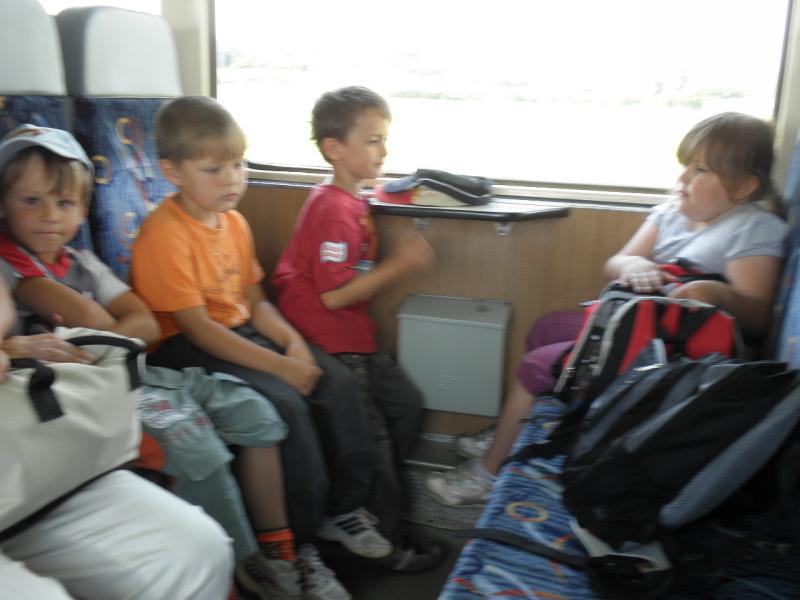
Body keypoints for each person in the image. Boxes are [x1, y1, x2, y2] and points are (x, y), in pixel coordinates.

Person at [0, 123, 308, 600]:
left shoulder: (83, 263)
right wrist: (108, 333)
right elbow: (96, 317)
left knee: (257, 413)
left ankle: (279, 548)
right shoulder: (14, 266)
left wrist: (100, 338)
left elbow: (143, 323)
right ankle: (243, 570)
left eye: (64, 203)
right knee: (195, 443)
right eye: (32, 201)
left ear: (83, 209)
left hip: (128, 374)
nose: (49, 217)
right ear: (3, 205)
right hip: (75, 398)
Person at [425, 111, 788, 506]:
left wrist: (714, 293)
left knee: (535, 368)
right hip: (635, 325)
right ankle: (515, 426)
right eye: (685, 165)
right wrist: (633, 265)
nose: (683, 178)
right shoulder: (671, 214)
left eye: (700, 170)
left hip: (671, 355)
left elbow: (756, 316)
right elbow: (616, 263)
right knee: (546, 327)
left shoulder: (751, 229)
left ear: (744, 186)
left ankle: (488, 474)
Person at [131, 95, 400, 597]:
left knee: (336, 381)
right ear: (172, 172)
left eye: (239, 164)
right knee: (286, 404)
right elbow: (199, 329)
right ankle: (295, 544)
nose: (232, 179)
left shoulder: (234, 222)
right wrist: (280, 368)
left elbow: (254, 301)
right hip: (185, 346)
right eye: (214, 169)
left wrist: (293, 344)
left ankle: (341, 511)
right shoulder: (164, 235)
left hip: (236, 331)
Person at [271, 86, 445, 572]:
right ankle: (383, 542)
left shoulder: (353, 196)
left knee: (405, 405)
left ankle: (364, 504)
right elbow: (333, 295)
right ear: (334, 148)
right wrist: (401, 264)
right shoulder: (332, 208)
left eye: (383, 139)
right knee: (373, 440)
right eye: (372, 141)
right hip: (329, 337)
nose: (383, 151)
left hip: (353, 334)